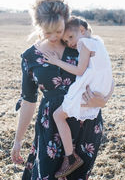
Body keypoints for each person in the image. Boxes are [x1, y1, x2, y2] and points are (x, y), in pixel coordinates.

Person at [11, 0, 114, 180]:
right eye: (47, 31)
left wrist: (104, 100)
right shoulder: (30, 57)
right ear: (38, 26)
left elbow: (106, 73)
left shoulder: (79, 45)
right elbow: (28, 100)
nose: (53, 37)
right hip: (50, 126)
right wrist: (18, 140)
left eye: (58, 31)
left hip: (86, 124)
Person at [42, 16, 113, 178]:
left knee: (58, 115)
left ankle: (70, 157)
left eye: (71, 37)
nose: (70, 43)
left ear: (82, 30)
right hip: (101, 88)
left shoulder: (85, 43)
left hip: (89, 89)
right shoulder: (99, 43)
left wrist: (56, 62)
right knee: (64, 115)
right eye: (66, 41)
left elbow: (80, 70)